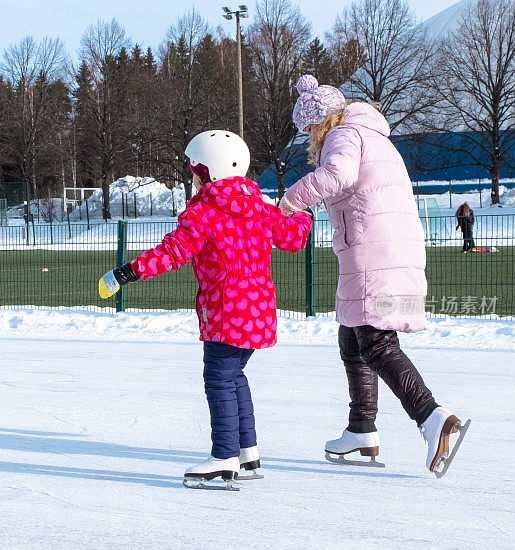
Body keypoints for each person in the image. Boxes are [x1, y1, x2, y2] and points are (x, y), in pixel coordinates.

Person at [99, 130, 312, 488]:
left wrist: (126, 272)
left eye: (194, 173)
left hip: (227, 314)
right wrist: (301, 213)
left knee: (219, 380)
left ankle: (224, 455)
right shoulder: (260, 207)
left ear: (208, 172)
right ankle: (247, 450)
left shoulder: (204, 213)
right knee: (234, 377)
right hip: (260, 312)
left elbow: (171, 254)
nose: (192, 180)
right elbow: (293, 237)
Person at [280, 75, 468, 476]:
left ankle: (432, 417)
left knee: (377, 343)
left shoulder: (343, 136)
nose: (309, 137)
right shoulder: (376, 137)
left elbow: (337, 176)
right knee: (352, 335)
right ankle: (361, 428)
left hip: (371, 248)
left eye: (309, 129)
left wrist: (290, 201)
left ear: (321, 121)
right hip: (389, 246)